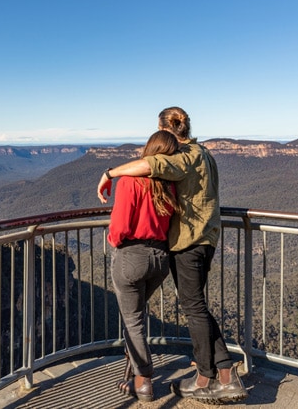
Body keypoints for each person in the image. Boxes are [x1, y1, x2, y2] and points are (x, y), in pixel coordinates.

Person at [98, 107, 248, 404]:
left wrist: (109, 173)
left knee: (191, 309)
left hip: (188, 242)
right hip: (200, 240)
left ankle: (205, 378)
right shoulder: (204, 152)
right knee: (196, 306)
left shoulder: (184, 157)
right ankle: (226, 371)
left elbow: (150, 164)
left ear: (163, 129)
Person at [108, 130, 179, 402]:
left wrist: (114, 241)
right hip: (160, 258)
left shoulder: (129, 182)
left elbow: (121, 225)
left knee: (133, 320)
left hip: (132, 256)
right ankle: (134, 369)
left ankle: (144, 381)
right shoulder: (169, 184)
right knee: (136, 315)